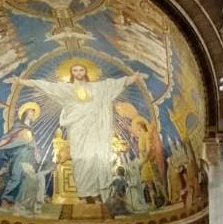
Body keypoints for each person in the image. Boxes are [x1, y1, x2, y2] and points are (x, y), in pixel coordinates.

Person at [9, 64, 142, 202]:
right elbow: (45, 85)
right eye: (75, 70)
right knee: (79, 158)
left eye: (81, 70)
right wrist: (21, 81)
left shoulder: (98, 87)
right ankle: (84, 192)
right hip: (76, 128)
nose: (78, 72)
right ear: (72, 73)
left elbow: (116, 83)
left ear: (86, 71)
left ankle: (95, 192)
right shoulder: (66, 88)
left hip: (94, 128)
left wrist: (134, 77)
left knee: (95, 157)